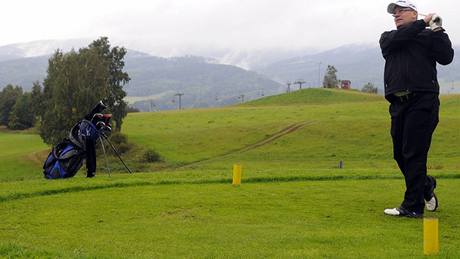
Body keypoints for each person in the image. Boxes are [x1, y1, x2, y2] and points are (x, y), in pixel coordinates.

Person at [380, 0, 454, 217]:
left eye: (401, 11)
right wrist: (423, 23)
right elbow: (401, 38)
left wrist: (438, 28)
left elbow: (446, 57)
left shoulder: (429, 37)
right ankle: (425, 186)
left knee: (413, 153)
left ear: (414, 13)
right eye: (394, 13)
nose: (396, 15)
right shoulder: (389, 38)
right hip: (398, 104)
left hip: (423, 101)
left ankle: (412, 206)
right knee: (399, 154)